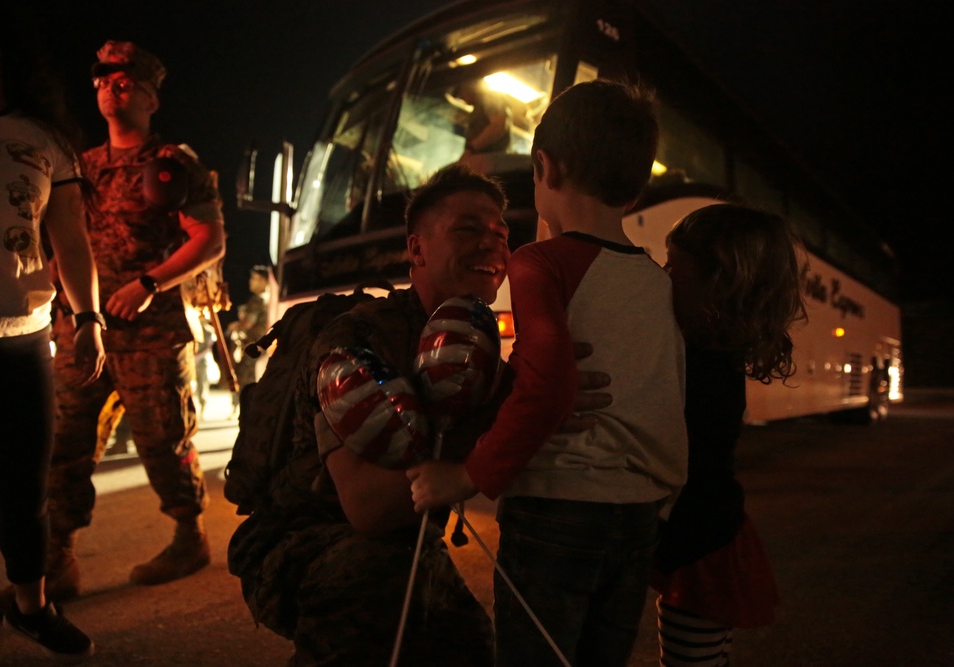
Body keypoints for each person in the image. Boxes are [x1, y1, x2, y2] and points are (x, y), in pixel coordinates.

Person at [227, 163, 611, 666]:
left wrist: (539, 402)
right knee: (375, 588)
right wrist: (515, 428)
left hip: (404, 545)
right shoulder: (354, 342)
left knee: (475, 652)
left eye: (501, 234)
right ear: (416, 250)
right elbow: (369, 508)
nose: (492, 246)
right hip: (302, 544)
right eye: (468, 230)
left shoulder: (467, 340)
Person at [409, 79, 689, 666]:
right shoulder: (657, 280)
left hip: (559, 512)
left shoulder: (539, 264)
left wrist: (466, 476)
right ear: (635, 188)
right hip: (638, 517)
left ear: (544, 166)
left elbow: (550, 387)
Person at [46, 40, 223, 599]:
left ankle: (189, 536)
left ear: (150, 96)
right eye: (102, 81)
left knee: (163, 438)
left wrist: (148, 284)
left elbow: (209, 239)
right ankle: (57, 560)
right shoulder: (81, 166)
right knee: (64, 442)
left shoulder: (172, 164)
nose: (110, 89)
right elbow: (64, 240)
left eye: (124, 82)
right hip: (83, 329)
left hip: (152, 331)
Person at [0, 2, 103, 658]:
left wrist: (88, 314)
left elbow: (72, 243)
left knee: (22, 489)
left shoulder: (45, 138)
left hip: (19, 339)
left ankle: (32, 606)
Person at [650, 204, 808, 666]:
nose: (662, 274)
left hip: (702, 550)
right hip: (712, 537)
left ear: (716, 282)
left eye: (674, 265)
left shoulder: (699, 368)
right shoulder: (716, 356)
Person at [227, 264, 270, 415]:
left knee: (246, 384)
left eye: (255, 279)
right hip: (264, 346)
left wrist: (235, 326)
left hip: (252, 348)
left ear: (265, 281)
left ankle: (247, 416)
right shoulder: (269, 299)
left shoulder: (257, 300)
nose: (251, 282)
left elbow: (248, 323)